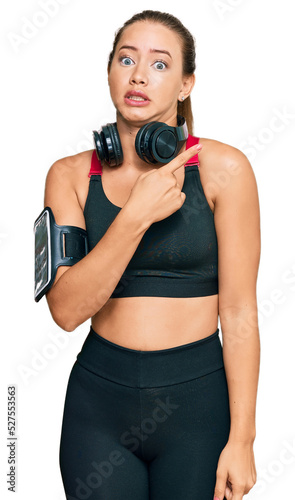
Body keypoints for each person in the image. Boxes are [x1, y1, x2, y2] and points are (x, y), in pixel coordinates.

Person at [43, 10, 260, 500]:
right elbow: (66, 310)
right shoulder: (70, 176)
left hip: (198, 411)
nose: (139, 74)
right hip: (97, 410)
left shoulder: (225, 169)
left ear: (186, 85)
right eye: (127, 59)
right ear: (110, 73)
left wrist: (243, 438)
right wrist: (135, 214)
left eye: (160, 65)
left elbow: (241, 310)